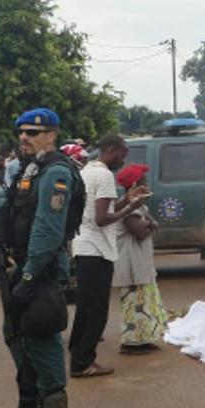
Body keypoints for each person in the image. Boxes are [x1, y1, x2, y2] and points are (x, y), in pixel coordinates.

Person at [0, 107, 83, 408]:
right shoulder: (34, 167)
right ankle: (29, 402)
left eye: (31, 132)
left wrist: (30, 275)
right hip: (25, 263)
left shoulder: (56, 171)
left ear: (51, 135)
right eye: (21, 132)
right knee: (15, 332)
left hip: (42, 267)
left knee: (41, 335)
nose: (23, 138)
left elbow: (48, 229)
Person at [69, 134, 148, 378]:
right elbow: (102, 218)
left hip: (83, 246)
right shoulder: (104, 175)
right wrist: (131, 208)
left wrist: (126, 199)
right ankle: (83, 362)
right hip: (97, 249)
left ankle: (78, 354)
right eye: (122, 154)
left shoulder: (86, 171)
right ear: (111, 150)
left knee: (85, 306)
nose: (122, 161)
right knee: (96, 310)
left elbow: (99, 209)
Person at [113, 163, 167, 355]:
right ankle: (130, 342)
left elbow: (149, 226)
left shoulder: (137, 205)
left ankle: (143, 338)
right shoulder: (129, 206)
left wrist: (149, 224)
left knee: (143, 302)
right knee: (134, 303)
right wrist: (149, 225)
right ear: (135, 185)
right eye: (144, 182)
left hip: (139, 262)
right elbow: (140, 232)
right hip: (131, 263)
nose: (147, 185)